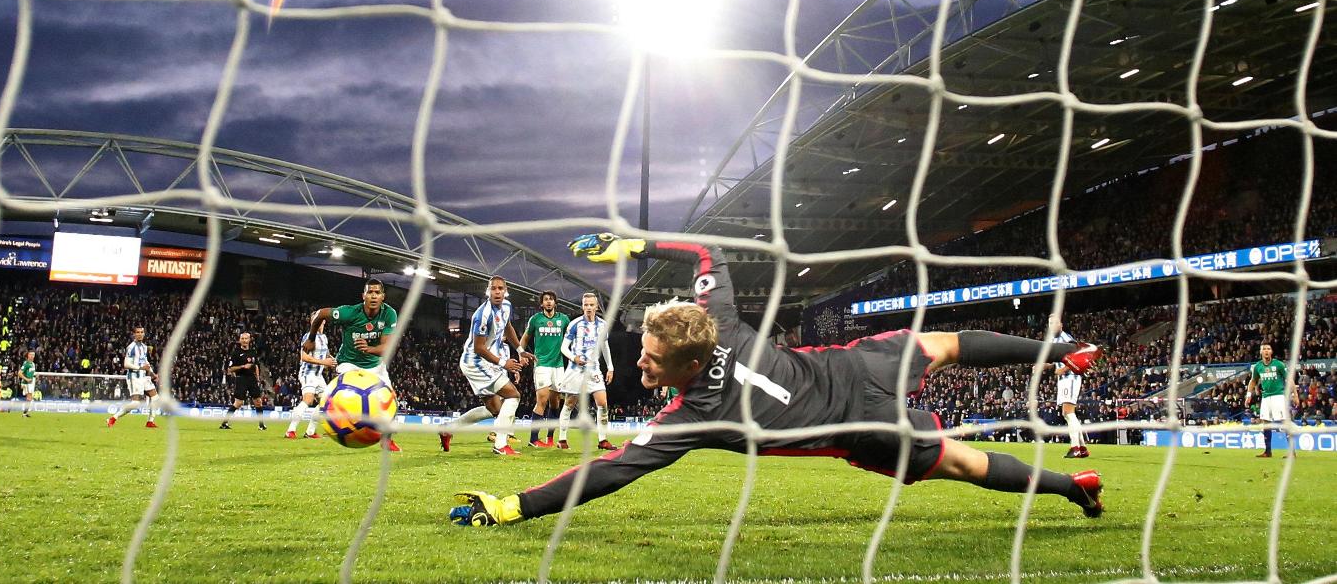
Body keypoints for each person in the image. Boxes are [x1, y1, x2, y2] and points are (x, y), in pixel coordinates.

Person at [450, 234, 1105, 528]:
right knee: (948, 343)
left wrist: (515, 506)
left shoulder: (693, 416)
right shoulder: (720, 320)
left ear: (684, 365)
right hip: (858, 366)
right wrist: (636, 245)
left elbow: (610, 472)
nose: (640, 365)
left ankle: (1069, 485)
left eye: (651, 359)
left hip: (866, 428)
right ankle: (1060, 350)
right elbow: (709, 253)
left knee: (964, 460)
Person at [441, 275, 533, 455]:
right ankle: (500, 445)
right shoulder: (482, 315)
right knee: (513, 395)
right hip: (475, 362)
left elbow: (508, 327)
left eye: (500, 288)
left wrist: (520, 350)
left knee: (494, 409)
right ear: (487, 291)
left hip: (485, 362)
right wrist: (503, 363)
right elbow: (479, 348)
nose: (497, 292)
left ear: (505, 291)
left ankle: (448, 428)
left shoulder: (506, 306)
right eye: (493, 288)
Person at [306, 277, 402, 452]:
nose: (373, 296)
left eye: (377, 292)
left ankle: (386, 440)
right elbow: (321, 313)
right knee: (335, 400)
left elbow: (387, 348)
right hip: (348, 363)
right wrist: (311, 339)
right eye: (370, 292)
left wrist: (369, 349)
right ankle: (328, 428)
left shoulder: (389, 314)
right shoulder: (349, 313)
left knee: (390, 401)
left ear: (383, 297)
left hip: (375, 365)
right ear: (363, 296)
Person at [556, 292, 616, 450]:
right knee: (569, 403)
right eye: (586, 305)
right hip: (576, 370)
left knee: (603, 403)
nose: (589, 307)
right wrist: (574, 357)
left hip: (594, 369)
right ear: (582, 306)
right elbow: (563, 347)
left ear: (597, 307)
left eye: (591, 305)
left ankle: (603, 440)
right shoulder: (575, 324)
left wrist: (610, 367)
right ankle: (562, 439)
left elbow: (605, 347)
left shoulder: (603, 325)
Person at [519, 290, 569, 448]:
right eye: (546, 300)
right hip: (541, 365)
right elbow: (525, 338)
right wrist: (521, 353)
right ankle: (533, 439)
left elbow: (571, 336)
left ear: (555, 303)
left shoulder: (564, 319)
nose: (548, 302)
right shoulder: (536, 319)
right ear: (541, 303)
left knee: (555, 403)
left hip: (558, 365)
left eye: (551, 299)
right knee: (542, 399)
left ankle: (549, 438)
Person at [1245, 342, 1296, 458]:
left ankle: (1292, 451)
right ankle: (1268, 451)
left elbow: (1289, 379)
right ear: (1261, 352)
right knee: (1265, 422)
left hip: (1278, 396)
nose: (1266, 351)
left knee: (1284, 422)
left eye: (1268, 349)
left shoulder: (1279, 364)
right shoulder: (1258, 366)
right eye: (1264, 349)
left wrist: (1295, 395)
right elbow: (1253, 381)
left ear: (1271, 352)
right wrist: (1248, 395)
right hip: (1266, 397)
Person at [285, 323, 335, 439]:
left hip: (318, 375)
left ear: (323, 322)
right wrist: (324, 363)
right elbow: (304, 357)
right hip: (308, 373)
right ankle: (290, 430)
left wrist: (333, 361)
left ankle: (310, 432)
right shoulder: (309, 337)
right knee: (308, 400)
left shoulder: (324, 337)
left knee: (326, 402)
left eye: (320, 321)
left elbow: (326, 353)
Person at [107, 326, 159, 428]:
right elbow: (126, 364)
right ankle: (112, 418)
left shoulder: (144, 347)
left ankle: (150, 422)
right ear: (134, 334)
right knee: (135, 403)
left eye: (142, 332)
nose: (140, 334)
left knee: (155, 398)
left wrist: (153, 374)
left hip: (144, 376)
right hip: (134, 377)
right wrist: (141, 368)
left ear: (144, 334)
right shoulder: (131, 347)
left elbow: (145, 363)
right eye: (138, 332)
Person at [1051, 319, 1087, 458]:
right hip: (1064, 380)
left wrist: (1064, 369)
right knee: (1068, 414)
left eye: (1054, 323)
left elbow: (1077, 357)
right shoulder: (1054, 340)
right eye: (1050, 323)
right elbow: (1056, 362)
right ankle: (1082, 447)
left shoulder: (1066, 339)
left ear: (1060, 324)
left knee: (1068, 412)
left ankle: (1075, 447)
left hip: (1070, 377)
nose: (1052, 326)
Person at [220, 331, 267, 431]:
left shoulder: (253, 351)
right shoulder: (236, 353)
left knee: (258, 402)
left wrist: (258, 378)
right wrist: (242, 366)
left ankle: (261, 425)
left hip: (252, 379)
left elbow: (256, 366)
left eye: (246, 338)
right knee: (238, 403)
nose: (244, 340)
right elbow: (230, 369)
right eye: (243, 339)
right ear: (239, 340)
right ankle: (224, 423)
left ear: (249, 340)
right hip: (241, 379)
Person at [18, 350, 36, 418]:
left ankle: (25, 413)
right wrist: (26, 379)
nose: (32, 356)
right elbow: (19, 373)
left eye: (33, 355)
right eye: (31, 354)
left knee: (30, 398)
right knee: (29, 397)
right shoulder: (26, 363)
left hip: (31, 383)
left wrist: (34, 375)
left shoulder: (33, 364)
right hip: (27, 383)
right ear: (28, 355)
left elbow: (31, 373)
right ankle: (24, 414)